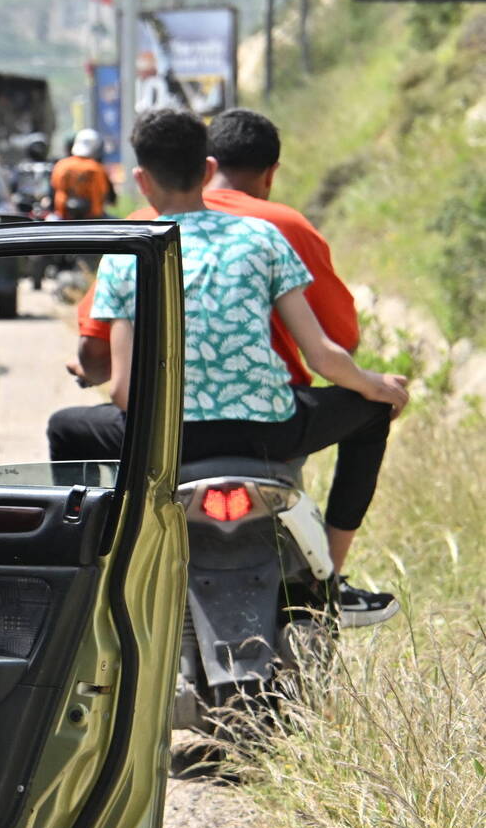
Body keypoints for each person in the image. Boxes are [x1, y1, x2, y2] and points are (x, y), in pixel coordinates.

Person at [46, 110, 408, 623]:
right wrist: (378, 387)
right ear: (207, 166)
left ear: (143, 180)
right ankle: (329, 575)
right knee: (370, 414)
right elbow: (324, 356)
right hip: (270, 434)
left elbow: (124, 392)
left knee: (64, 429)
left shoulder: (130, 252)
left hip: (170, 443)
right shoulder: (261, 238)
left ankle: (89, 581)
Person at [71, 108, 360, 391]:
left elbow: (95, 353)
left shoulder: (142, 228)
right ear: (271, 174)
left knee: (68, 426)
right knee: (372, 404)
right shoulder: (281, 228)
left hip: (163, 420)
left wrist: (98, 374)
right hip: (272, 419)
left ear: (206, 167)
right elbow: (341, 341)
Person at [49, 127, 115, 220]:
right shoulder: (97, 168)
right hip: (94, 218)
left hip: (62, 218)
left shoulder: (61, 165)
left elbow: (52, 193)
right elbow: (111, 198)